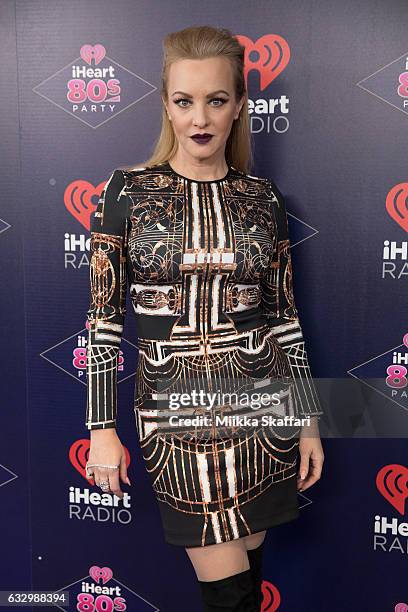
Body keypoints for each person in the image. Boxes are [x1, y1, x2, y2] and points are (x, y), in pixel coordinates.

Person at [84, 25, 325, 612]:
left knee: (249, 567)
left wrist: (310, 422)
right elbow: (103, 320)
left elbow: (284, 318)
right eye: (184, 100)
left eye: (216, 100)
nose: (200, 118)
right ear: (166, 105)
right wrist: (100, 427)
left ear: (240, 105)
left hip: (260, 408)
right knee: (228, 591)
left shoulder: (264, 199)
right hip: (174, 412)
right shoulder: (126, 192)